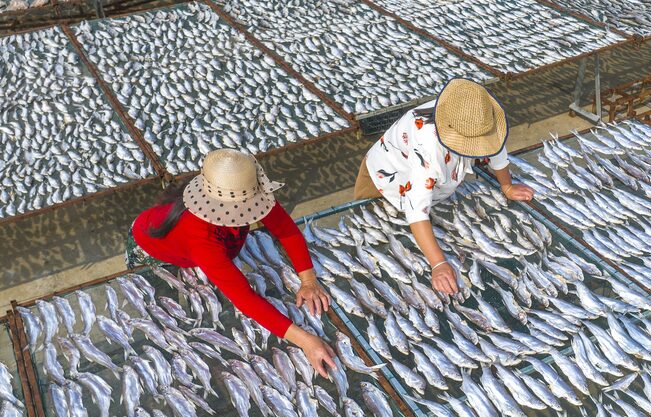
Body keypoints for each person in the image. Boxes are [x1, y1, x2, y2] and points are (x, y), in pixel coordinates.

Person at [129, 149, 336, 377]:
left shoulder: (242, 191)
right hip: (152, 249)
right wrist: (306, 341)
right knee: (162, 304)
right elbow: (244, 298)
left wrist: (308, 280)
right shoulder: (200, 238)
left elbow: (284, 229)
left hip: (202, 246)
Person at [354, 78, 534, 296]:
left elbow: (496, 149)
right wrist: (438, 263)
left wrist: (507, 185)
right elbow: (415, 208)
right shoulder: (427, 147)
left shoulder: (476, 116)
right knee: (374, 232)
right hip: (389, 181)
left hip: (434, 184)